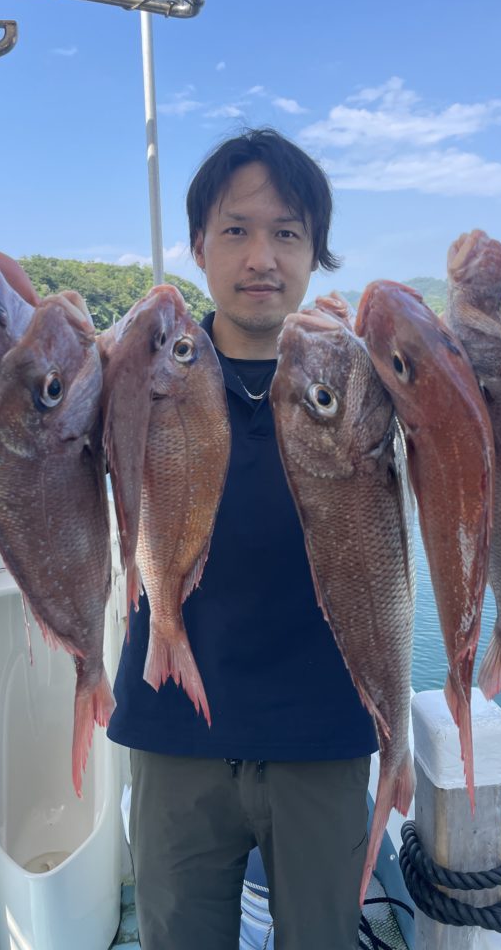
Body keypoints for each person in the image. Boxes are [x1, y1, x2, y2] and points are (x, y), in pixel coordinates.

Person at [108, 128, 378, 950]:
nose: (262, 257)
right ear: (199, 247)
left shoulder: (361, 381)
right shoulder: (148, 376)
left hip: (323, 731)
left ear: (314, 252)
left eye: (287, 233)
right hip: (173, 727)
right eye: (236, 230)